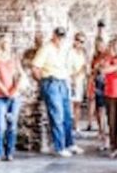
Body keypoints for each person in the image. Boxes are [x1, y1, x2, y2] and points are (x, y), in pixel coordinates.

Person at [32, 27, 82, 157]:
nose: (60, 39)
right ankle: (59, 146)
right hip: (51, 82)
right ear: (53, 35)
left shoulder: (64, 50)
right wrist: (44, 82)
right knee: (57, 115)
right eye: (58, 36)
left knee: (67, 115)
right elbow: (35, 67)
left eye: (62, 37)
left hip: (63, 82)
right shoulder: (46, 49)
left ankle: (69, 143)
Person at [0, 36, 23, 163]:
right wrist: (7, 93)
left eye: (10, 43)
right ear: (1, 44)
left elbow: (20, 75)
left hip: (15, 96)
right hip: (0, 97)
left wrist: (14, 91)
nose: (9, 45)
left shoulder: (14, 59)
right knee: (0, 126)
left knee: (12, 125)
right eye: (6, 43)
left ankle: (9, 152)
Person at [88, 37, 109, 148]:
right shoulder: (95, 57)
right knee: (99, 110)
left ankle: (106, 134)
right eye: (97, 45)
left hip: (106, 84)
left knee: (105, 111)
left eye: (101, 45)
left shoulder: (108, 56)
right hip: (98, 84)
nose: (99, 47)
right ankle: (101, 131)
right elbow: (92, 72)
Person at [69, 32, 89, 132]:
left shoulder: (83, 53)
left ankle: (76, 125)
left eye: (82, 41)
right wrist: (73, 76)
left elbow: (86, 66)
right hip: (70, 79)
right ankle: (69, 124)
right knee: (70, 103)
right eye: (78, 40)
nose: (79, 43)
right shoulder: (69, 52)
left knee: (78, 103)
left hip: (80, 80)